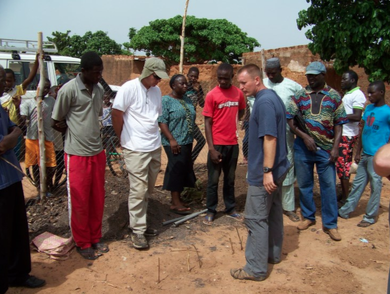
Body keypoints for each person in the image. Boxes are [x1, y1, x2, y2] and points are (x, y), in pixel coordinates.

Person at [230, 64, 289, 281]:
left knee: (255, 219)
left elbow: (270, 138)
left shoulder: (264, 102)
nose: (241, 87)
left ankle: (255, 268)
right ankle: (272, 254)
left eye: (244, 83)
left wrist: (266, 171)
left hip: (266, 172)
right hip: (279, 168)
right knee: (272, 213)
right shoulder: (272, 97)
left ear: (257, 80)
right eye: (240, 83)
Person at [51, 51, 108, 260]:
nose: (99, 76)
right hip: (76, 154)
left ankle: (95, 237)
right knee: (80, 200)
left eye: (101, 72)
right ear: (82, 71)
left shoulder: (99, 89)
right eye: (95, 72)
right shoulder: (68, 90)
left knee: (97, 199)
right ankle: (82, 242)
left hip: (97, 152)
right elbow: (55, 121)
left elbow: (95, 117)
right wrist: (73, 133)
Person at [111, 57, 169, 249]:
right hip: (134, 147)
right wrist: (122, 139)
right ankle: (138, 231)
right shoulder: (128, 88)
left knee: (148, 187)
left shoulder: (156, 91)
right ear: (147, 73)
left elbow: (155, 115)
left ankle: (139, 224)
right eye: (156, 76)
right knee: (138, 189)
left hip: (153, 146)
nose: (158, 80)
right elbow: (117, 114)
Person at [286, 61, 348, 241]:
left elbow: (339, 124)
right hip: (303, 148)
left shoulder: (334, 96)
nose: (310, 79)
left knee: (328, 186)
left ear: (323, 75)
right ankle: (308, 217)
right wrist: (304, 137)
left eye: (314, 75)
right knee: (305, 185)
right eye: (308, 76)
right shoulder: (299, 95)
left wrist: (335, 147)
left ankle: (330, 224)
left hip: (326, 149)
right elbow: (290, 120)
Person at [0, 65, 46, 293]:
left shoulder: (0, 105)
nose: (5, 83)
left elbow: (14, 129)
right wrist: (12, 135)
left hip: (10, 178)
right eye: (1, 79)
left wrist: (12, 134)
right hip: (1, 182)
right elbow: (3, 144)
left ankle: (17, 274)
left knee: (17, 229)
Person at [339, 81, 390, 227]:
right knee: (358, 184)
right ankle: (345, 210)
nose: (369, 95)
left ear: (381, 92)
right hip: (365, 154)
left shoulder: (387, 112)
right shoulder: (368, 109)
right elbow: (363, 130)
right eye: (368, 92)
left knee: (375, 185)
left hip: (377, 157)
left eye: (372, 92)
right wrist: (358, 151)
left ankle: (370, 217)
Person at [202, 63, 246, 225]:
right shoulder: (212, 95)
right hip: (217, 145)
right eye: (220, 78)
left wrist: (233, 123)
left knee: (230, 179)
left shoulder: (238, 94)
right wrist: (211, 148)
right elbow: (207, 122)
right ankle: (211, 210)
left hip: (232, 144)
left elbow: (241, 110)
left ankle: (230, 208)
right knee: (213, 180)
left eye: (226, 79)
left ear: (232, 77)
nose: (222, 81)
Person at [263, 57, 303, 222]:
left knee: (287, 166)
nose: (271, 76)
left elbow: (303, 104)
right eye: (268, 73)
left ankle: (287, 207)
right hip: (266, 134)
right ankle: (268, 206)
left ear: (281, 70)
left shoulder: (292, 86)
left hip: (286, 134)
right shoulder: (263, 84)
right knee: (267, 167)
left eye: (273, 73)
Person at [158, 74, 196, 215]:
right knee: (176, 169)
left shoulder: (187, 100)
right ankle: (175, 202)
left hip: (186, 141)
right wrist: (172, 139)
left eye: (186, 83)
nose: (185, 86)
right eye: (182, 84)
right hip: (173, 142)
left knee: (183, 169)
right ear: (173, 85)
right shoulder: (165, 100)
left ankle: (177, 199)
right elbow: (162, 121)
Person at [20, 78, 56, 195]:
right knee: (35, 164)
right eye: (44, 87)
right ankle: (39, 187)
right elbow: (22, 119)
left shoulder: (51, 101)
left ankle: (48, 184)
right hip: (33, 137)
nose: (46, 90)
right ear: (37, 87)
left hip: (48, 137)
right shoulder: (28, 103)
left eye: (48, 87)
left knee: (50, 164)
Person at [1, 53, 40, 159]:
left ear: (14, 81)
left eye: (9, 81)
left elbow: (30, 79)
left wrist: (36, 62)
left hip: (14, 128)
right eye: (4, 81)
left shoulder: (16, 91)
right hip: (3, 130)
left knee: (15, 156)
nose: (6, 84)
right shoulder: (1, 95)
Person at [336, 70, 366, 205]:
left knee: (343, 166)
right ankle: (344, 193)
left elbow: (357, 116)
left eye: (344, 79)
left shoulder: (357, 95)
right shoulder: (348, 94)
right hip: (343, 133)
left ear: (352, 80)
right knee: (341, 165)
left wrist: (338, 117)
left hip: (347, 135)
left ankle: (346, 198)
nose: (342, 81)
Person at [186, 67, 206, 163]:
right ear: (187, 75)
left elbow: (202, 104)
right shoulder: (183, 86)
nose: (193, 78)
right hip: (183, 121)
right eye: (191, 76)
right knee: (186, 144)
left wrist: (197, 91)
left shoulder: (198, 87)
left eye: (195, 77)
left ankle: (190, 160)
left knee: (201, 141)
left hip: (192, 122)